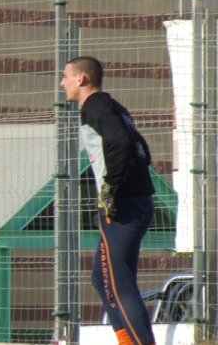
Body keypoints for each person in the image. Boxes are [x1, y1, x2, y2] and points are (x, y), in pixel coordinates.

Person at [61, 55, 155, 345]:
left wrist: (112, 186)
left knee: (119, 285)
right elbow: (141, 147)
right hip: (133, 202)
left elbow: (124, 143)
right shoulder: (111, 105)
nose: (62, 83)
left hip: (123, 206)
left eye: (65, 77)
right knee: (103, 281)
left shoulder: (95, 106)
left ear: (82, 79)